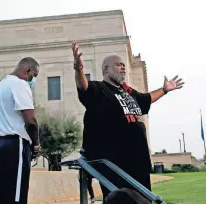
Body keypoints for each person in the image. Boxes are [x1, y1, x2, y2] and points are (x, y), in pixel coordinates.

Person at [71, 41, 184, 199]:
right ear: (106, 69)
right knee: (120, 200)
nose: (123, 67)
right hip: (115, 163)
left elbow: (147, 99)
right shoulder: (99, 89)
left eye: (124, 64)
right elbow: (83, 87)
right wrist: (79, 69)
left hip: (138, 162)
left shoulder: (129, 93)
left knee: (143, 199)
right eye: (118, 64)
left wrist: (164, 90)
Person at [0, 57, 41, 204]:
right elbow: (30, 121)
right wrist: (36, 145)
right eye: (34, 75)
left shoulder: (1, 85)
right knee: (16, 196)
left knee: (3, 195)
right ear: (27, 71)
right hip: (14, 143)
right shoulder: (19, 84)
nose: (33, 80)